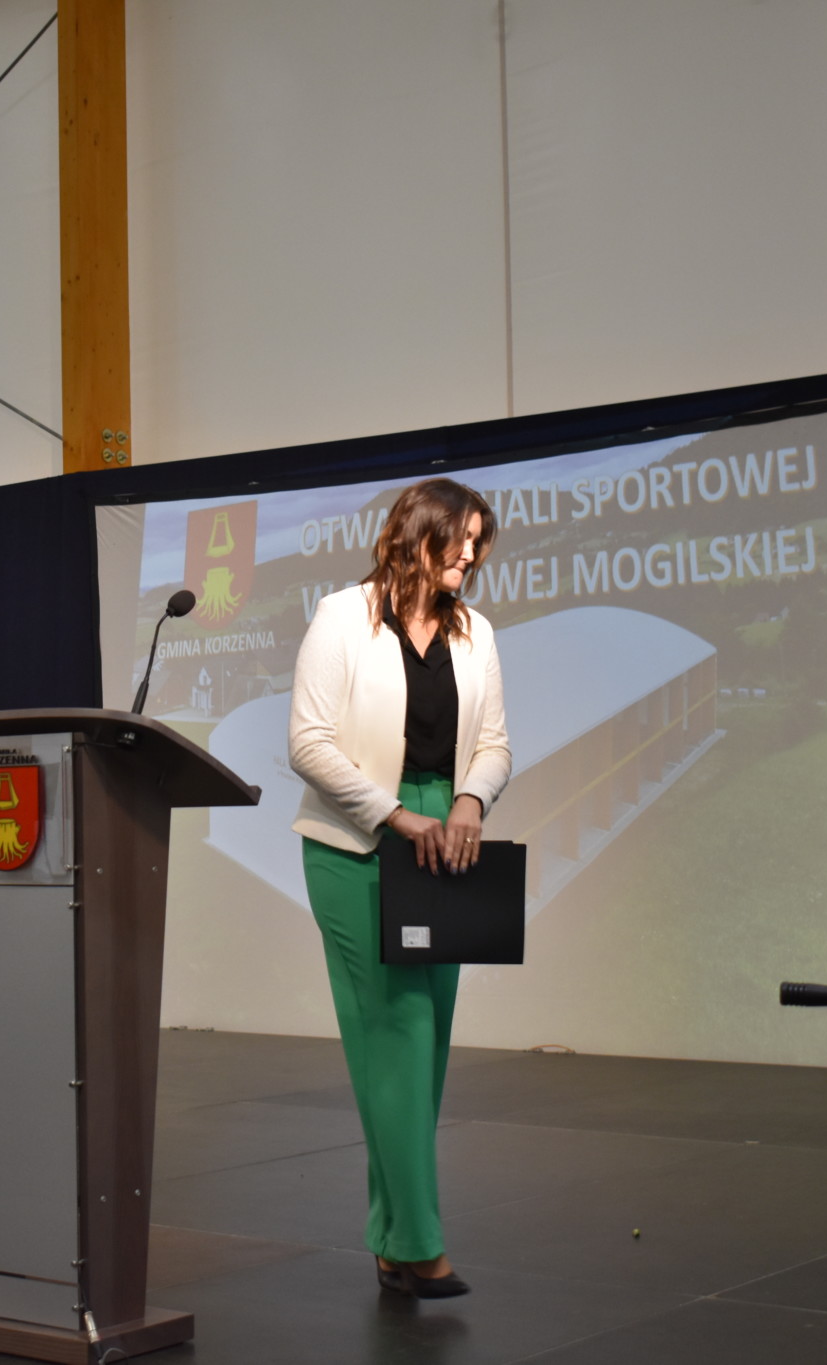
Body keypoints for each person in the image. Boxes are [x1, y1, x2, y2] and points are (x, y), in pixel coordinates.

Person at [287, 477, 511, 1299]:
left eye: (479, 541)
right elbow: (309, 743)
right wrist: (394, 815)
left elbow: (494, 743)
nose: (470, 554)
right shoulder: (342, 616)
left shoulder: (476, 633)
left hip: (443, 841)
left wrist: (468, 800)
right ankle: (420, 1244)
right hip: (358, 844)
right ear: (418, 533)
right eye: (460, 537)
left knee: (428, 1039)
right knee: (399, 1030)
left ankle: (389, 1236)